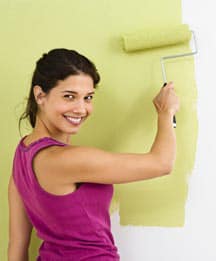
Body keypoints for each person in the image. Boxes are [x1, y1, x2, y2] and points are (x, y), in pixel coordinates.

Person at [8, 48, 180, 261]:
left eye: (88, 98)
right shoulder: (66, 160)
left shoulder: (23, 151)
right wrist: (166, 113)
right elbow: (161, 163)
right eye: (69, 96)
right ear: (40, 95)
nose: (81, 109)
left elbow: (17, 244)